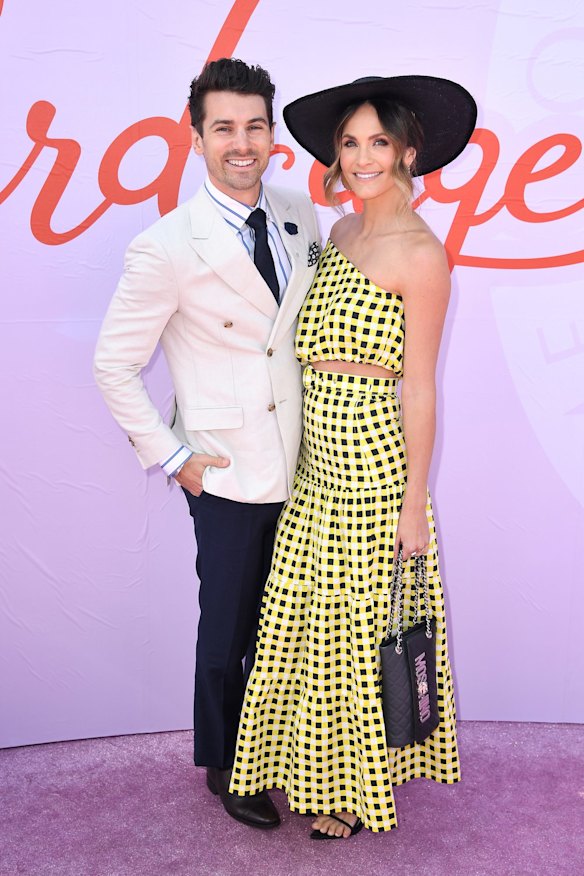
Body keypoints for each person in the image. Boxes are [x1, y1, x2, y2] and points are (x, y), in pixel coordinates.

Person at [229, 75, 477, 837]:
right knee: (308, 630)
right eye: (350, 143)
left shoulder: (422, 255)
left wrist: (412, 507)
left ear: (409, 151)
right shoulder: (336, 235)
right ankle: (308, 769)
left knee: (356, 639)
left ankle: (357, 793)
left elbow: (420, 391)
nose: (364, 157)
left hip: (374, 474)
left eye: (379, 142)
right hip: (315, 469)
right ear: (335, 156)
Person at [94, 57, 320, 829]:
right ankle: (229, 767)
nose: (242, 142)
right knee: (226, 628)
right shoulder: (165, 247)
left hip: (309, 466)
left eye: (255, 125)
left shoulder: (299, 214)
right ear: (197, 138)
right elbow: (112, 365)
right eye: (224, 127)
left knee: (288, 622)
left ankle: (284, 749)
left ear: (271, 132)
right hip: (225, 470)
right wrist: (173, 456)